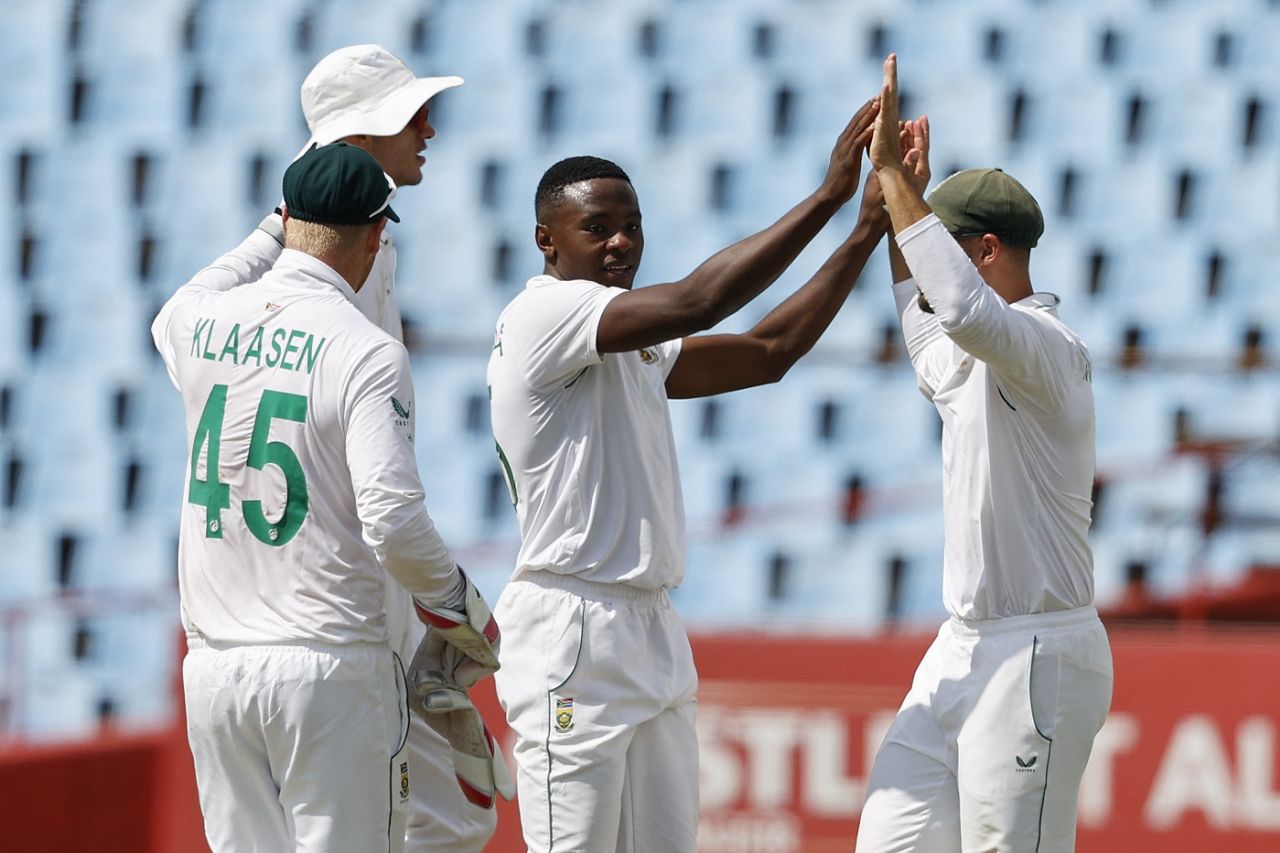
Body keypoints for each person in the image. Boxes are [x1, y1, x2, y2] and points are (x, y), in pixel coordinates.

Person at [486, 96, 888, 852]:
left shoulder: (624, 337)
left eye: (633, 225)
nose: (621, 242)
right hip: (572, 625)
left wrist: (865, 231)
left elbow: (769, 352)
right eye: (597, 227)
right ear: (546, 240)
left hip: (652, 626)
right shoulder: (545, 316)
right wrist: (830, 195)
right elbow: (704, 300)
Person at [180, 44, 502, 850]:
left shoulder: (206, 316)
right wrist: (460, 608)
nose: (429, 128)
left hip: (223, 654)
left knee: (457, 817)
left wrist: (286, 226)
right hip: (338, 640)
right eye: (412, 114)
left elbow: (174, 314)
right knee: (444, 821)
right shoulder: (360, 287)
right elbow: (389, 514)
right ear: (357, 143)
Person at [856, 54, 1114, 852]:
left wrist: (893, 178)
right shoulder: (974, 351)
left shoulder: (1044, 346)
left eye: (941, 245)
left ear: (986, 250)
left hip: (1038, 650)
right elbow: (923, 321)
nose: (927, 261)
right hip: (961, 644)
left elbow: (963, 311)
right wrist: (901, 210)